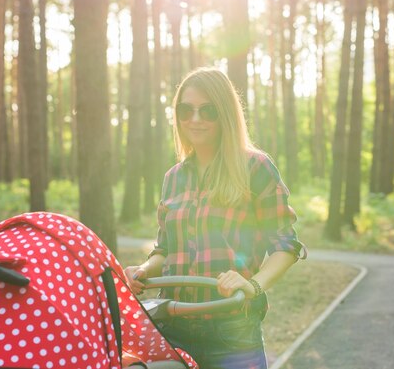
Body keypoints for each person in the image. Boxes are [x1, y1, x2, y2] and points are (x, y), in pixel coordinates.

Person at [123, 67, 306, 369]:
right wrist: (141, 271)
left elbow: (286, 247)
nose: (195, 119)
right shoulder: (173, 177)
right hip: (172, 328)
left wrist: (253, 285)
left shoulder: (255, 168)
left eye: (207, 111)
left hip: (232, 331)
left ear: (224, 114)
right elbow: (165, 250)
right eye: (186, 110)